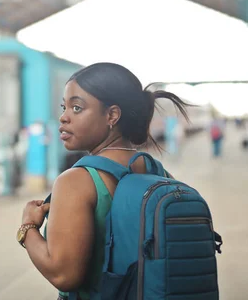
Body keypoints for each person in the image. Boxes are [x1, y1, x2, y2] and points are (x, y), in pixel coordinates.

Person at [16, 62, 190, 299]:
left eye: (77, 108)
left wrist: (28, 228)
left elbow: (63, 276)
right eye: (63, 107)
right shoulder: (158, 172)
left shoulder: (76, 181)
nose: (64, 117)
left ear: (112, 115)